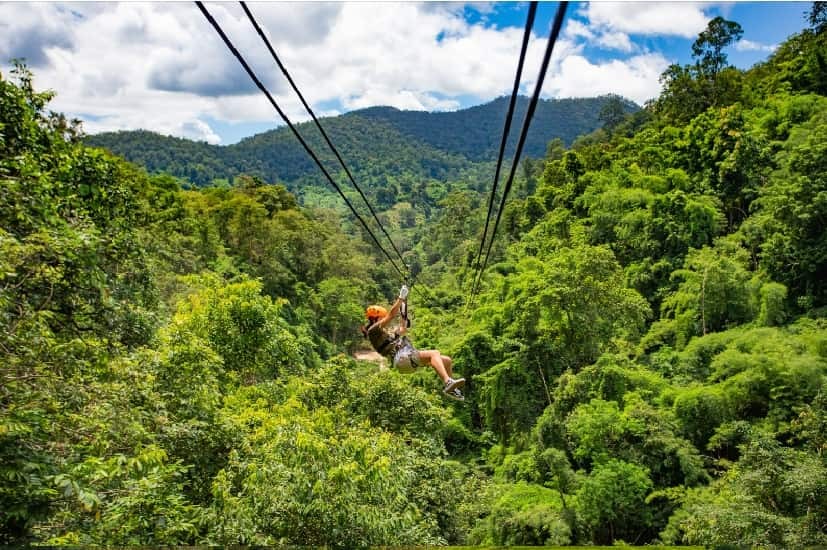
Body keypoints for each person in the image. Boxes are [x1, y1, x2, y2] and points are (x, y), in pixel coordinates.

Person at [361, 285, 465, 401]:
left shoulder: (386, 335)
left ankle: (452, 389)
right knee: (434, 353)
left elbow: (402, 329)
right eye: (381, 318)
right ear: (375, 318)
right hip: (402, 358)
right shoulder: (373, 331)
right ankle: (447, 382)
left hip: (404, 359)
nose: (383, 320)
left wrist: (404, 310)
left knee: (447, 361)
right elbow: (391, 315)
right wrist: (400, 298)